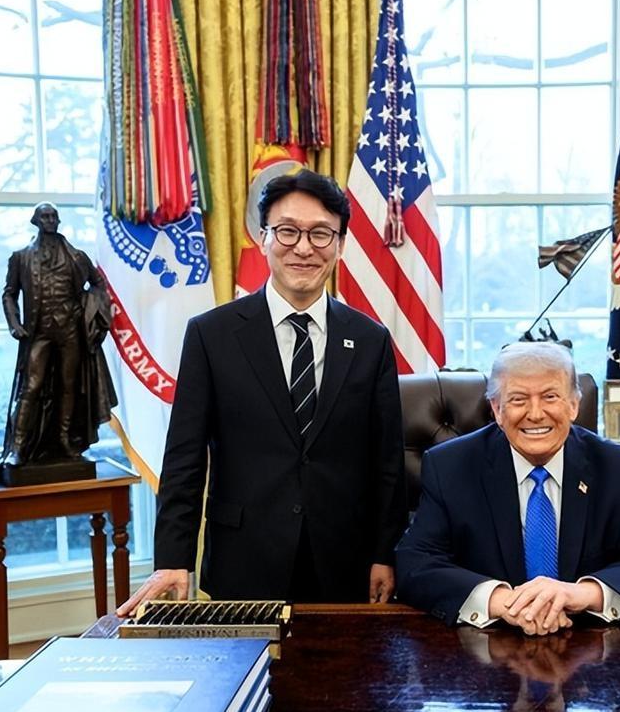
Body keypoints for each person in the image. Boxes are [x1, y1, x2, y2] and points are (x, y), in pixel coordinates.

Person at [118, 170, 407, 614]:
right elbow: (184, 458)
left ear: (341, 244)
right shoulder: (211, 335)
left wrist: (385, 553)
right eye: (288, 231)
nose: (304, 248)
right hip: (244, 557)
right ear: (263, 237)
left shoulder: (371, 340)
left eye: (321, 234)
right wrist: (173, 559)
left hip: (345, 561)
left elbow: (387, 462)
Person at [395, 342, 620, 635]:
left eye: (550, 397)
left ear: (574, 405)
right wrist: (501, 601)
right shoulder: (450, 467)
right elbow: (416, 564)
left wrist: (580, 594)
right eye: (518, 399)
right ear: (497, 409)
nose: (535, 414)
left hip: (588, 641)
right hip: (485, 641)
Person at [0, 203, 116, 466]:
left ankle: (65, 439)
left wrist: (90, 310)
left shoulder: (77, 257)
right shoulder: (21, 257)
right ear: (36, 221)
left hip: (70, 330)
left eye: (53, 216)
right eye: (45, 217)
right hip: (38, 331)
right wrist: (14, 324)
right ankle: (18, 446)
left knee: (69, 385)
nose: (50, 220)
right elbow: (9, 293)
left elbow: (98, 284)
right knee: (31, 386)